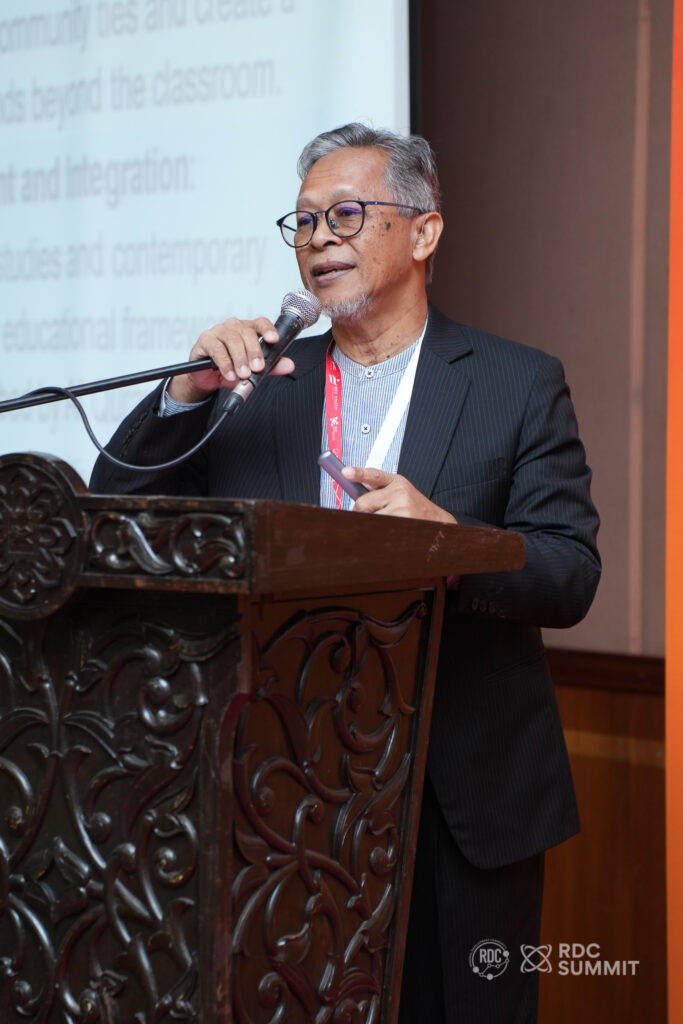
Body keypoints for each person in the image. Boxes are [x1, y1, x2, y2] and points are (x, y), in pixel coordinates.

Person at [91, 123, 600, 1022]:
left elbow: (569, 573)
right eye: (303, 221)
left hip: (460, 797)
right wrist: (183, 393)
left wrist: (447, 540)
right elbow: (116, 501)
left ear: (423, 231)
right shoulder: (261, 385)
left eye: (346, 214)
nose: (319, 237)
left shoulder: (515, 384)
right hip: (281, 793)